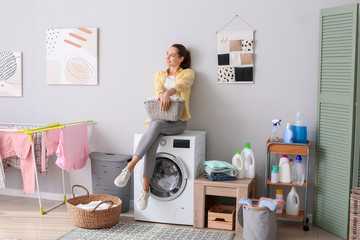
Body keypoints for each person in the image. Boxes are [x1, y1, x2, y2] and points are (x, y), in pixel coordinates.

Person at [114, 44, 195, 210]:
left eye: (172, 55)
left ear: (181, 58)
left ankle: (129, 168)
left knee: (155, 126)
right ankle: (145, 189)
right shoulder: (160, 74)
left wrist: (168, 93)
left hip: (178, 123)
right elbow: (157, 89)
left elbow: (182, 85)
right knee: (154, 135)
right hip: (159, 120)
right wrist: (161, 93)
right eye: (167, 54)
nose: (168, 57)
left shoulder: (188, 73)